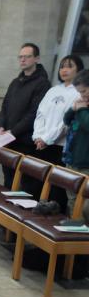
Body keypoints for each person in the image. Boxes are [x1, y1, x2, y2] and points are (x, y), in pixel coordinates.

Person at [29, 55, 84, 207]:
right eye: (62, 66)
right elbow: (40, 114)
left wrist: (47, 139)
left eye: (69, 66)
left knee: (55, 190)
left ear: (78, 69)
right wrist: (38, 136)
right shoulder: (53, 90)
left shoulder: (79, 92)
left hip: (60, 147)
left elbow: (66, 122)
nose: (64, 70)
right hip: (41, 144)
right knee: (36, 186)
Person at [0, 43, 50, 187]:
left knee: (24, 183)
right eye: (20, 57)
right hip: (8, 139)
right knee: (8, 179)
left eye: (27, 57)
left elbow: (34, 113)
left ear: (37, 59)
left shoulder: (42, 84)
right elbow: (5, 106)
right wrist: (1, 125)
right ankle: (4, 208)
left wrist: (13, 131)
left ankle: (19, 209)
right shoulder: (15, 82)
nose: (23, 60)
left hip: (25, 141)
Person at [62, 69, 89, 215]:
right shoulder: (82, 105)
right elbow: (66, 120)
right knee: (72, 199)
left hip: (86, 163)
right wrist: (73, 109)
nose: (82, 95)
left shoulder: (84, 109)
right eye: (79, 92)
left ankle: (82, 235)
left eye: (84, 91)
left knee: (85, 205)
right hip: (72, 160)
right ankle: (73, 231)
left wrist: (82, 110)